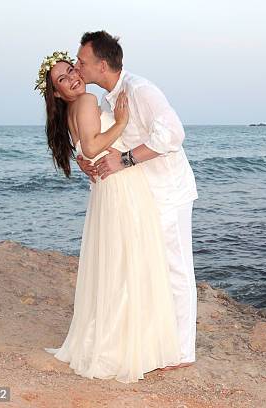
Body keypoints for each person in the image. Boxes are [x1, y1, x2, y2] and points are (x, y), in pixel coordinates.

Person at [37, 51, 182, 383]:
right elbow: (91, 148)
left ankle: (123, 340)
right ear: (57, 93)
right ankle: (129, 346)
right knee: (129, 263)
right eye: (63, 79)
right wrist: (118, 122)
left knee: (116, 263)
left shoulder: (73, 109)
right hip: (120, 186)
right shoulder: (87, 99)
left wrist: (90, 156)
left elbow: (83, 149)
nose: (73, 76)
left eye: (72, 70)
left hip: (106, 188)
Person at [74, 31, 198, 368]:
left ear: (102, 64)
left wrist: (125, 159)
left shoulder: (141, 90)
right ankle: (158, 344)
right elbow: (101, 138)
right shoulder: (104, 100)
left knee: (175, 269)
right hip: (141, 197)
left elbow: (173, 133)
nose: (77, 66)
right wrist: (86, 159)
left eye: (82, 62)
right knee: (148, 269)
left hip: (168, 191)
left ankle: (184, 352)